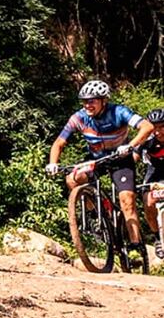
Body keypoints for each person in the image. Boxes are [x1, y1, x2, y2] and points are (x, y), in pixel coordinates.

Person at [46, 80, 154, 255]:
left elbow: (147, 127)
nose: (87, 105)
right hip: (97, 160)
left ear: (104, 100)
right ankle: (96, 215)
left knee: (127, 201)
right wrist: (53, 163)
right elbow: (59, 142)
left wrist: (130, 145)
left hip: (121, 160)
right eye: (84, 101)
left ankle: (135, 244)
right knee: (73, 179)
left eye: (92, 101)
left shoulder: (119, 112)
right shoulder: (78, 118)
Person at [137, 108, 164, 258]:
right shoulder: (147, 141)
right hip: (155, 173)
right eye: (154, 128)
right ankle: (157, 238)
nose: (158, 132)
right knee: (148, 201)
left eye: (162, 127)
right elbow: (133, 158)